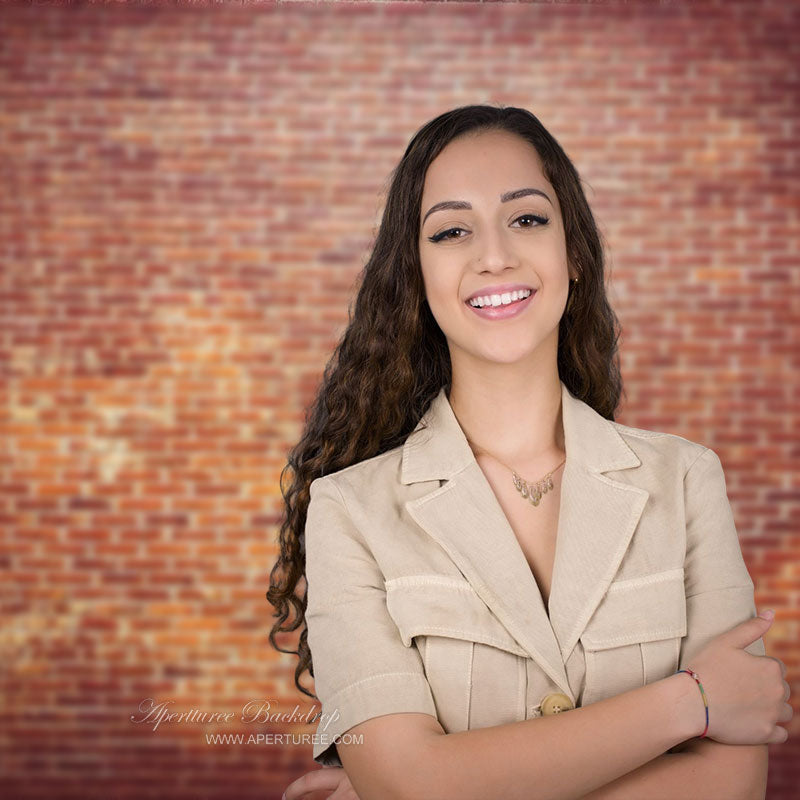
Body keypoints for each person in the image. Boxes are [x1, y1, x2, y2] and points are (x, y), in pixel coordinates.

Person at [268, 104, 792, 800]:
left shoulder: (687, 480)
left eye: (527, 218)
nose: (494, 255)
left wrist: (435, 784)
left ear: (572, 250)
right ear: (416, 276)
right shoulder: (348, 512)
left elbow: (731, 786)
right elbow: (409, 786)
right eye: (452, 231)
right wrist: (690, 703)